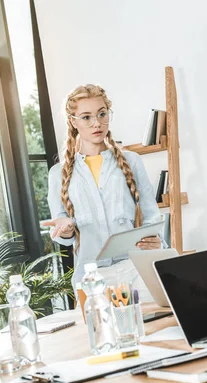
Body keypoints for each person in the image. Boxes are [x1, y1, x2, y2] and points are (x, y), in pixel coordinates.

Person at [44, 84, 163, 288]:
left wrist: (154, 239)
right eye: (86, 117)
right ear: (73, 122)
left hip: (136, 271)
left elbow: (151, 214)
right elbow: (62, 231)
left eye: (102, 114)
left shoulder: (131, 161)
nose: (96, 123)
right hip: (90, 278)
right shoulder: (58, 174)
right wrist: (65, 231)